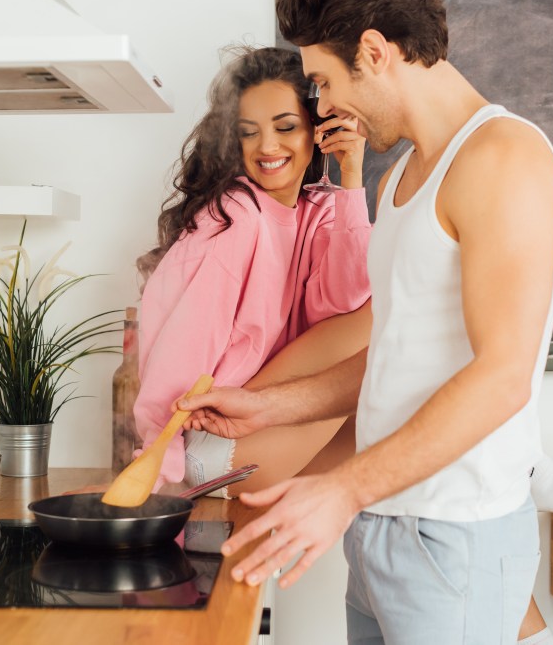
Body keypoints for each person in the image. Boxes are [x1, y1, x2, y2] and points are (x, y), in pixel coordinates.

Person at [177, 0, 553, 643]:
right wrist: (269, 406)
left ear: (377, 53)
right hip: (386, 528)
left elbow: (502, 376)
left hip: (453, 537)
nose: (323, 106)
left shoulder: (502, 159)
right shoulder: (405, 178)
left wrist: (343, 488)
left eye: (325, 81)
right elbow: (395, 356)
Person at [132, 45, 373, 500]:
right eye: (249, 133)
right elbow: (183, 344)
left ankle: (518, 468)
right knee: (401, 312)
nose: (267, 147)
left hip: (267, 430)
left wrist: (354, 175)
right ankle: (526, 472)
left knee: (397, 386)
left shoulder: (319, 210)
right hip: (215, 443)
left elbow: (343, 302)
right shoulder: (236, 215)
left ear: (317, 131)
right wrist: (158, 455)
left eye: (285, 127)